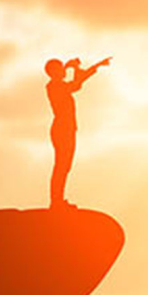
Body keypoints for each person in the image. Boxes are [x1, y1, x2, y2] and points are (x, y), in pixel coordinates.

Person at [44, 56, 111, 210]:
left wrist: (96, 66)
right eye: (59, 68)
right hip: (62, 129)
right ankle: (56, 201)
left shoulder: (59, 85)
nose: (62, 70)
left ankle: (58, 200)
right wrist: (73, 68)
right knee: (61, 166)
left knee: (65, 166)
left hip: (68, 128)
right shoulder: (53, 86)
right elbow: (75, 85)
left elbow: (77, 83)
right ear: (53, 72)